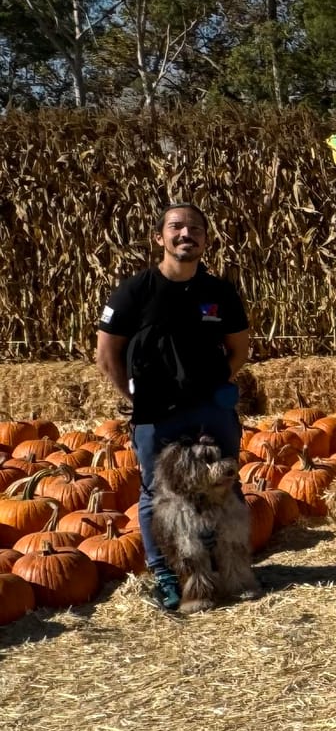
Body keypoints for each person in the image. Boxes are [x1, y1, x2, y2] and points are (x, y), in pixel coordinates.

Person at [94, 203, 251, 611]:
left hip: (211, 411)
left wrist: (215, 383)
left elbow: (239, 348)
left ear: (205, 239)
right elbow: (107, 353)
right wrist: (134, 397)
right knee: (157, 495)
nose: (187, 235)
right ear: (160, 237)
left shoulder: (219, 292)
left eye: (196, 229)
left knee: (225, 484)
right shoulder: (134, 291)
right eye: (177, 227)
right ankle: (168, 575)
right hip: (156, 414)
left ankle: (227, 571)